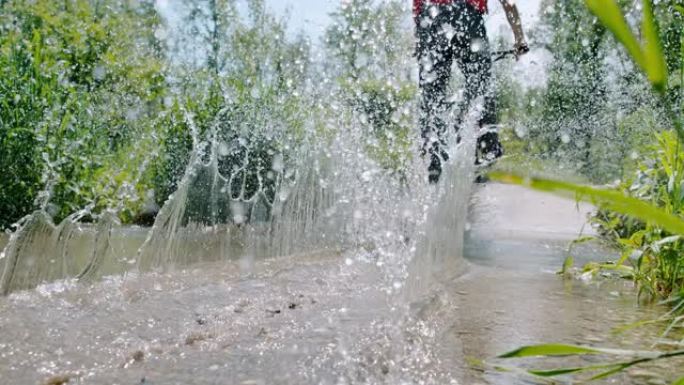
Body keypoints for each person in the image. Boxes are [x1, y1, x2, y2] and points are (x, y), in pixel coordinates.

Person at [414, 0, 528, 183]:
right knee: (481, 86)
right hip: (467, 15)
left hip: (430, 18)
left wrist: (421, 32)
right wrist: (519, 38)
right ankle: (486, 149)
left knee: (432, 94)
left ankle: (433, 158)